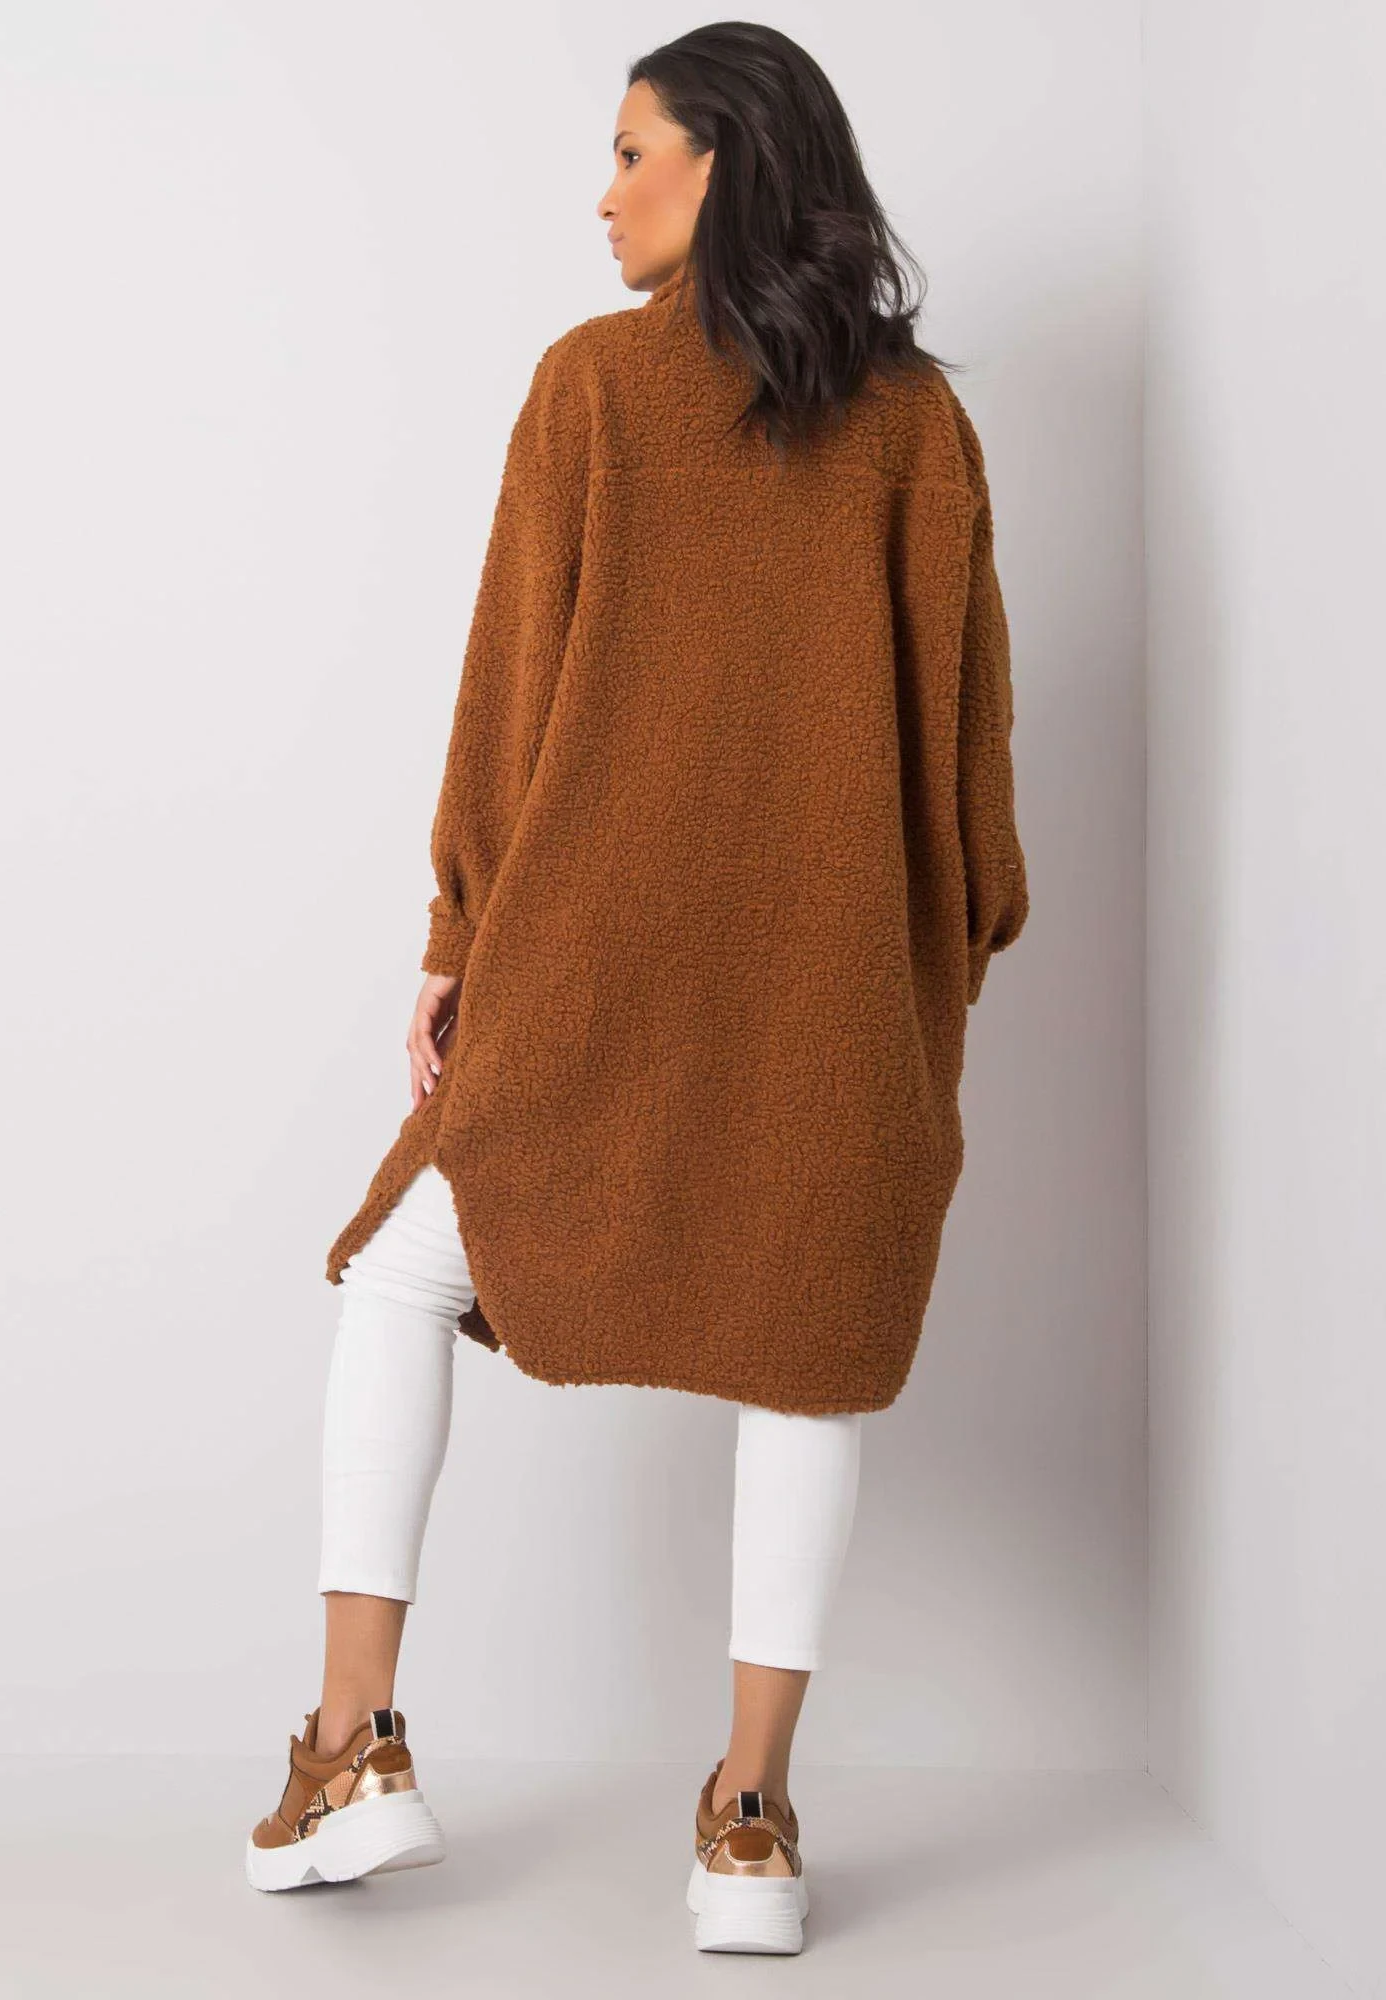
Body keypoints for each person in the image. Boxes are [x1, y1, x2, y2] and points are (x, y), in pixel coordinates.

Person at [245, 21, 1029, 1955]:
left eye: (627, 151)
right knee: (806, 1354)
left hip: (591, 960)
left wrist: (458, 937)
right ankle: (751, 1820)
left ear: (726, 161)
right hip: (834, 987)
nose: (600, 195)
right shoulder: (917, 424)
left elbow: (509, 698)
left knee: (400, 1276)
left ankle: (350, 1750)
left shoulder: (590, 390)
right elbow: (971, 747)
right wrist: (939, 962)